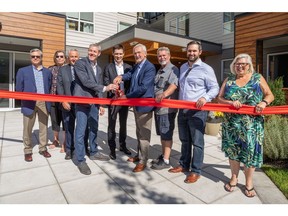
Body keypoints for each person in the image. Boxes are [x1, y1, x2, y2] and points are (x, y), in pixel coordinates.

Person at [217, 53, 274, 197]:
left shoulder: (257, 78)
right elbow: (219, 98)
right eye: (237, 64)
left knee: (250, 153)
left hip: (252, 125)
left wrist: (263, 102)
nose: (240, 66)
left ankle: (249, 182)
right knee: (233, 152)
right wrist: (230, 103)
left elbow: (270, 94)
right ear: (233, 66)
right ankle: (234, 178)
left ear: (249, 66)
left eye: (243, 64)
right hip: (231, 124)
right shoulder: (229, 79)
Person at [168, 40, 219, 183]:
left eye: (194, 51)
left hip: (198, 111)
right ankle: (184, 164)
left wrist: (205, 97)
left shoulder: (206, 69)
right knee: (184, 140)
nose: (191, 53)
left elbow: (214, 88)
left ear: (200, 52)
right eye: (189, 51)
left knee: (197, 142)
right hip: (183, 110)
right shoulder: (183, 67)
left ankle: (196, 170)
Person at [73, 43, 118, 175]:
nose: (92, 53)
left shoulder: (98, 69)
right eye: (90, 51)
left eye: (94, 51)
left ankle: (93, 152)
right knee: (80, 132)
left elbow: (96, 85)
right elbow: (86, 82)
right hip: (82, 102)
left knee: (94, 128)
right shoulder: (80, 64)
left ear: (99, 54)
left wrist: (101, 104)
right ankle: (80, 160)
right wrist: (106, 88)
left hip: (94, 103)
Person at [114, 43, 156, 172]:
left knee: (144, 135)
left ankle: (143, 161)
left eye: (139, 52)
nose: (137, 55)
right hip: (137, 105)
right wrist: (121, 77)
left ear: (145, 53)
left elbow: (143, 87)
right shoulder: (137, 66)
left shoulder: (149, 67)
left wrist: (127, 96)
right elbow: (130, 75)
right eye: (135, 53)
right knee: (138, 132)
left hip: (145, 105)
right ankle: (139, 155)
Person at [16, 48, 52, 162]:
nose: (35, 58)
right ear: (30, 58)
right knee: (27, 128)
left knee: (43, 127)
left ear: (41, 57)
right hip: (28, 103)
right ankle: (27, 150)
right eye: (33, 56)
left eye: (37, 56)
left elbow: (50, 87)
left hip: (43, 102)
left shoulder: (47, 72)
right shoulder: (22, 71)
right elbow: (18, 88)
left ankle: (43, 148)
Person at [57, 49, 89, 160]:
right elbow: (59, 86)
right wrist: (63, 101)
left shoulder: (83, 69)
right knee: (69, 128)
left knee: (82, 128)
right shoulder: (63, 70)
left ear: (78, 57)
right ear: (68, 58)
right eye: (71, 56)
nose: (74, 58)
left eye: (75, 56)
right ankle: (70, 150)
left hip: (81, 104)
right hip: (67, 104)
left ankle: (83, 148)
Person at [150, 47, 179, 170]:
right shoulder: (160, 70)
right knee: (162, 134)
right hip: (158, 108)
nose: (162, 57)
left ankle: (166, 160)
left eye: (164, 55)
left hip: (167, 108)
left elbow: (173, 85)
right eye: (159, 56)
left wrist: (163, 95)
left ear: (169, 55)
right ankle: (163, 155)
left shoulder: (173, 69)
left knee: (166, 134)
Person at [103, 44, 132, 160]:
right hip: (113, 100)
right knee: (112, 125)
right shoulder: (108, 67)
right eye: (116, 54)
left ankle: (122, 145)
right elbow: (105, 80)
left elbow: (131, 83)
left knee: (123, 124)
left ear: (123, 54)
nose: (118, 56)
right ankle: (112, 148)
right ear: (113, 54)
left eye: (120, 53)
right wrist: (111, 86)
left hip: (124, 101)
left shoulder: (129, 67)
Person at [48, 50, 66, 153]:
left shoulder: (68, 69)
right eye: (57, 56)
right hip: (53, 100)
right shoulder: (50, 69)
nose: (59, 58)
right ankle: (55, 140)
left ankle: (64, 142)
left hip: (64, 100)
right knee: (54, 121)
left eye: (61, 56)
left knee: (65, 122)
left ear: (65, 58)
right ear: (55, 58)